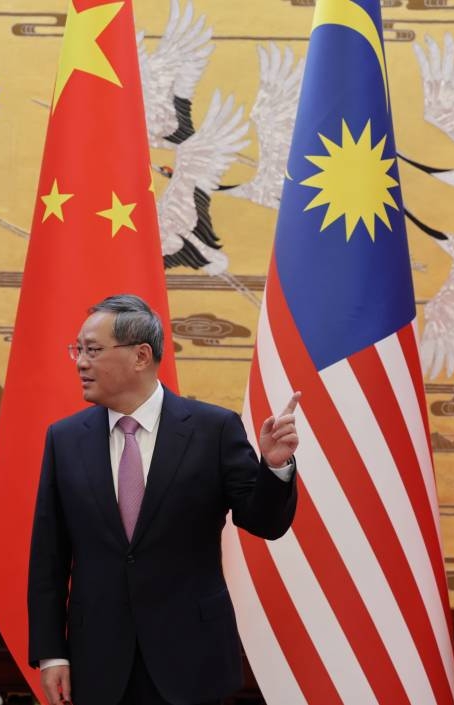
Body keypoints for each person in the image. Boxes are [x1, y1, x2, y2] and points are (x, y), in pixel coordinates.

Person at [28, 294, 300, 705]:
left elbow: (265, 522)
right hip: (98, 660)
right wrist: (52, 654)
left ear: (141, 356)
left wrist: (274, 467)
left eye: (93, 350)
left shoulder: (214, 430)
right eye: (77, 350)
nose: (81, 362)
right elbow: (48, 558)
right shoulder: (65, 440)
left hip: (192, 659)